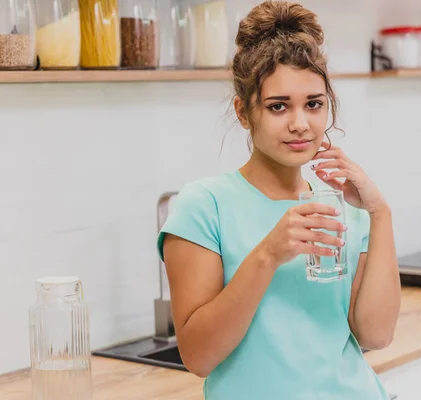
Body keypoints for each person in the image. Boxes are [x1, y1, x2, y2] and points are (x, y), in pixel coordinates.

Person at [156, 1, 401, 399]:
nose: (300, 123)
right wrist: (268, 254)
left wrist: (380, 213)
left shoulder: (342, 208)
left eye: (314, 104)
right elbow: (198, 356)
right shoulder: (203, 206)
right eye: (278, 106)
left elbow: (376, 333)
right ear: (243, 112)